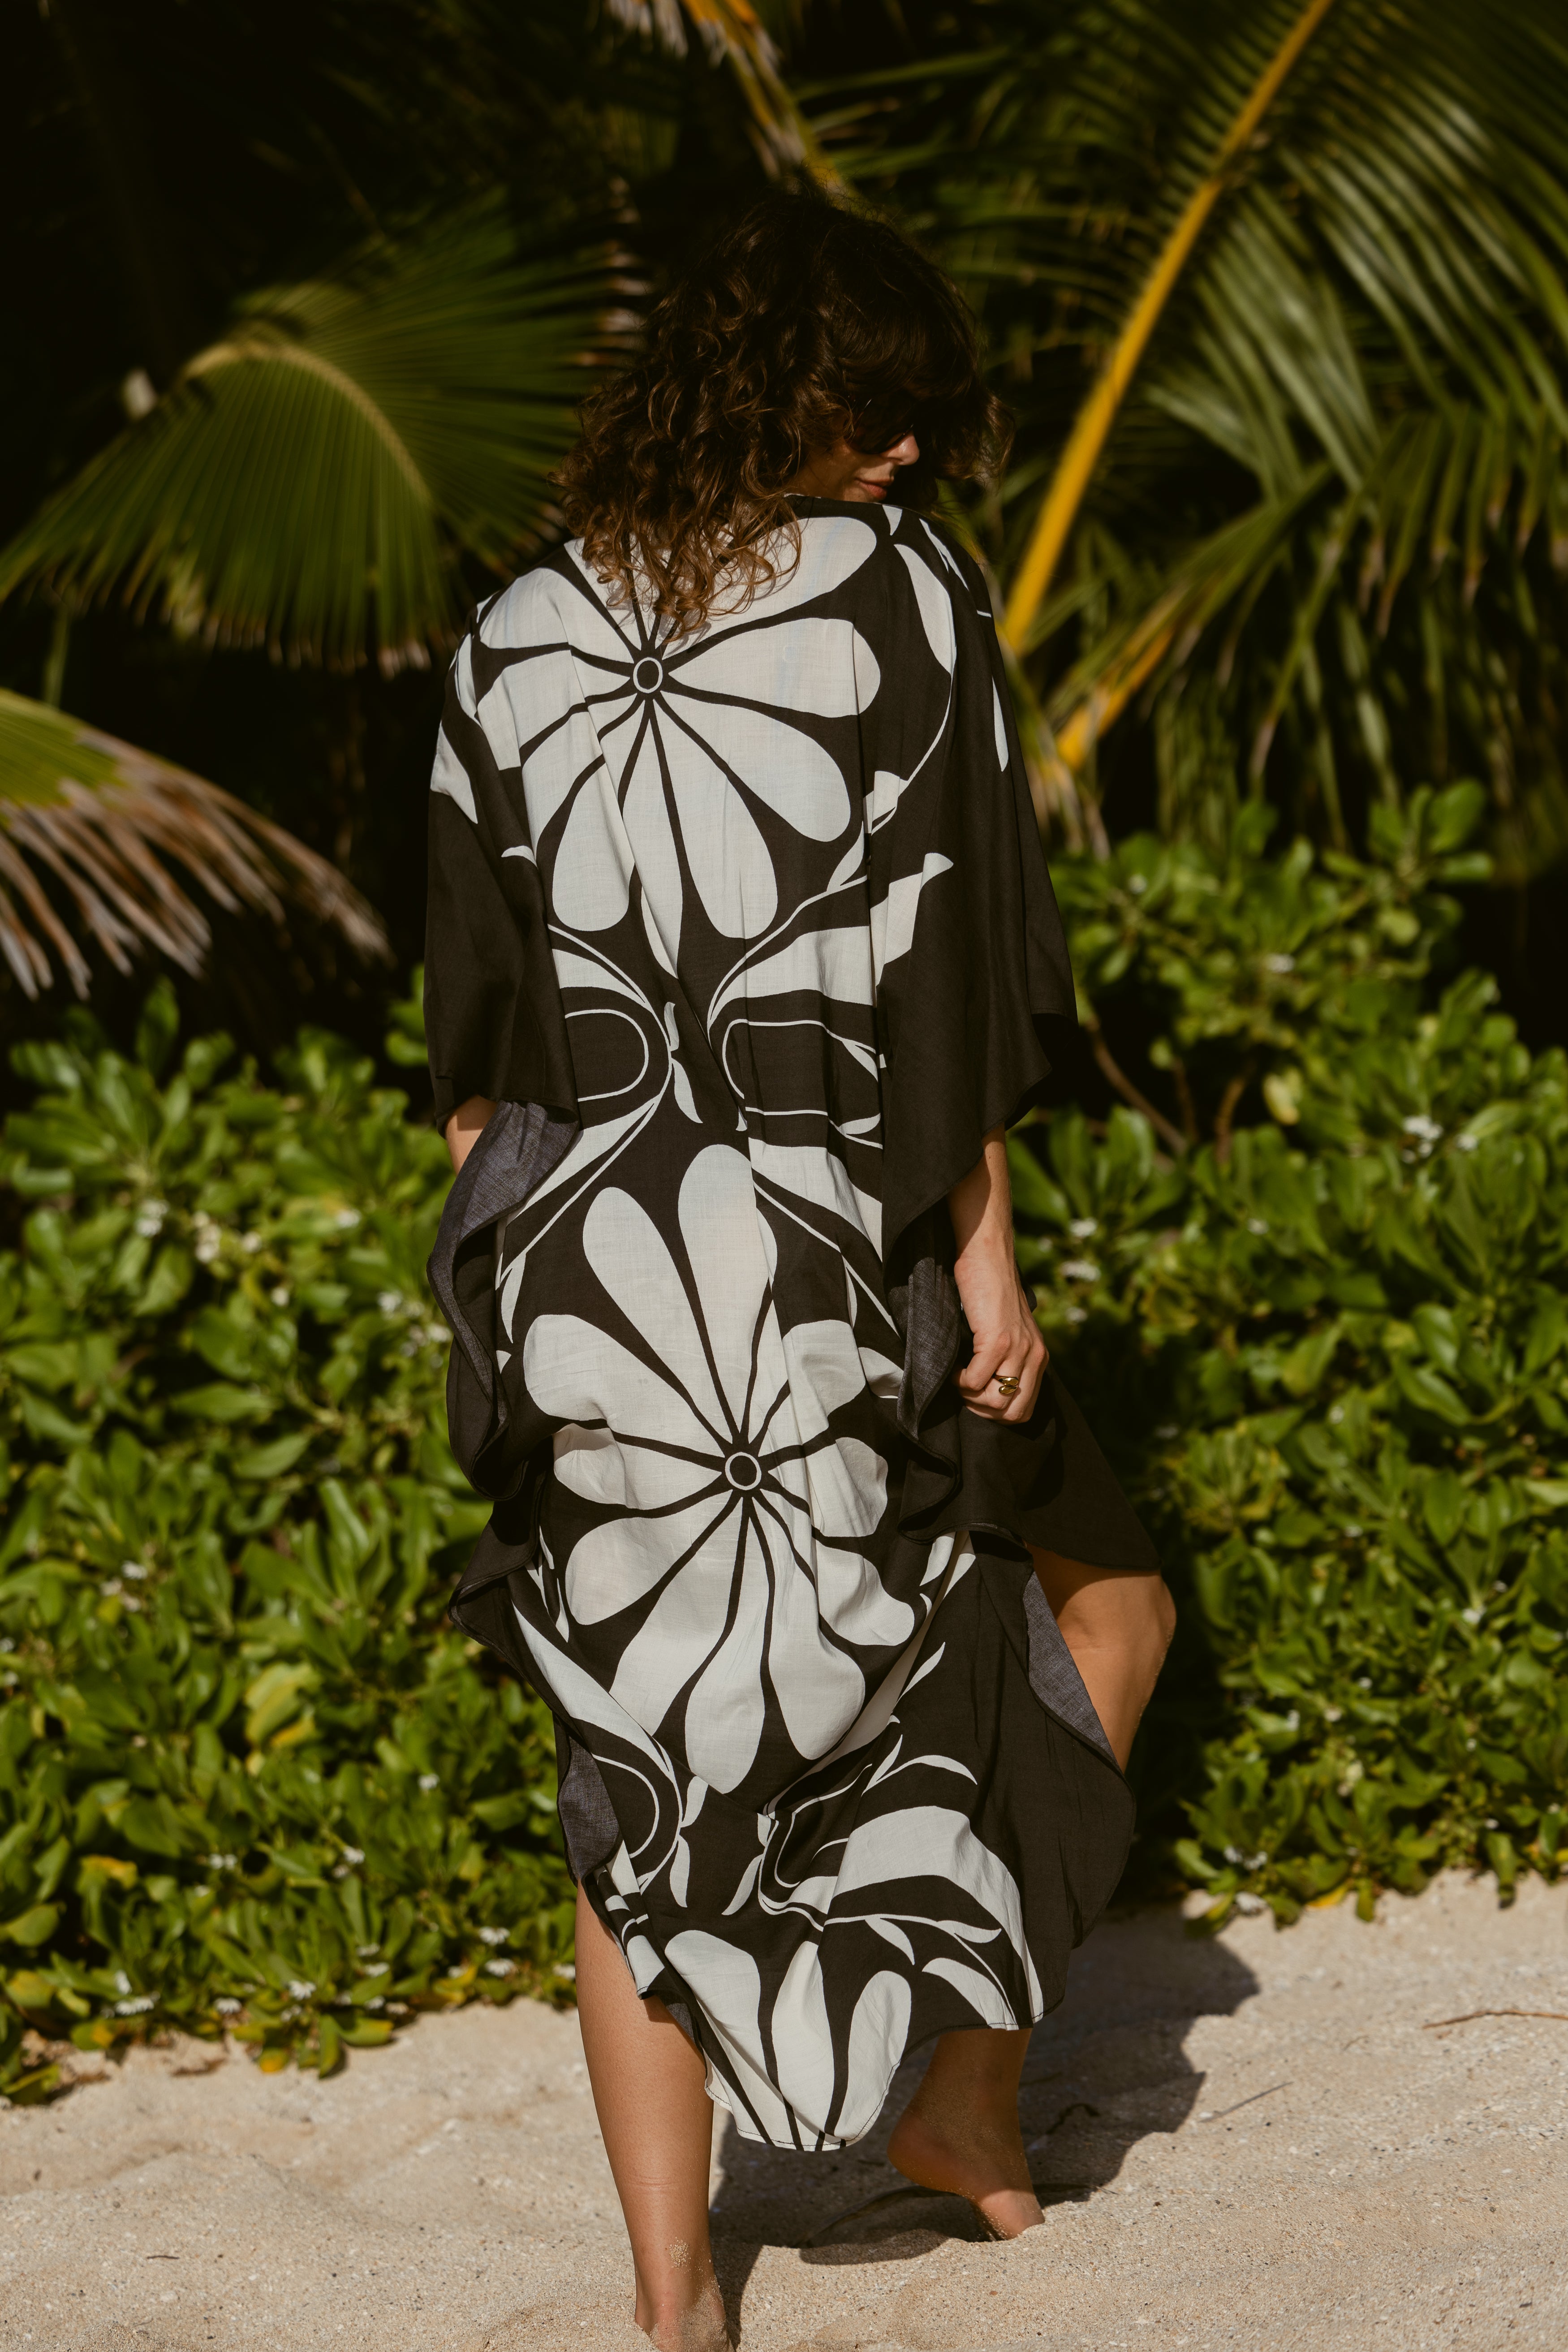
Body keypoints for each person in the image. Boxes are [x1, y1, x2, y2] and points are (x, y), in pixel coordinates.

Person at [422, 191, 1175, 2352]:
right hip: (832, 1245)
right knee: (1104, 1596)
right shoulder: (898, 594)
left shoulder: (510, 630)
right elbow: (950, 962)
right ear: (791, 398)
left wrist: (519, 1303)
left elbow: (472, 1044)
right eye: (886, 408)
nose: (911, 449)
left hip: (585, 1266)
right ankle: (959, 2090)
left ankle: (679, 2293)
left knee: (636, 1766)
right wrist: (986, 1258)